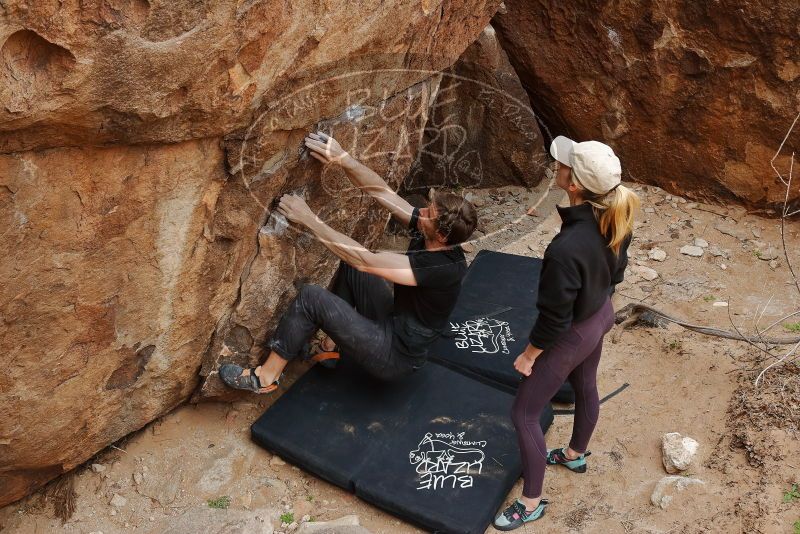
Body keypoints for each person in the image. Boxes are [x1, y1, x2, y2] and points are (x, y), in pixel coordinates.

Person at [219, 132, 478, 393]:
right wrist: (343, 159)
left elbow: (366, 260)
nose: (419, 211)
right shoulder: (434, 235)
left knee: (312, 297)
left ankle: (265, 378)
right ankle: (328, 350)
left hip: (395, 356)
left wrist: (308, 218)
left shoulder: (440, 268)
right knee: (351, 266)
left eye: (428, 214)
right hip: (394, 323)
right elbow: (381, 193)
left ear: (443, 235)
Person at [493, 136, 639, 531]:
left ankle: (531, 502)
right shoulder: (617, 217)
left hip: (572, 334)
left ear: (572, 184)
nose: (555, 166)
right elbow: (617, 275)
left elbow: (554, 320)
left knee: (524, 413)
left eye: (561, 164)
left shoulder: (564, 248)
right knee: (586, 382)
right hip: (600, 316)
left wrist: (529, 354)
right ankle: (575, 453)